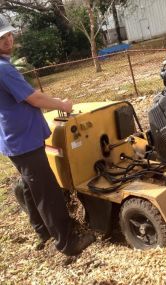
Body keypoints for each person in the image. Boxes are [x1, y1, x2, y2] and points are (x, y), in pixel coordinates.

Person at [0, 15, 95, 256]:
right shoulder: (3, 69)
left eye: (9, 34)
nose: (8, 40)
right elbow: (34, 98)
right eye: (2, 37)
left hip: (13, 138)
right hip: (24, 139)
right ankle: (67, 243)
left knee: (30, 184)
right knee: (47, 191)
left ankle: (41, 230)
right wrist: (62, 104)